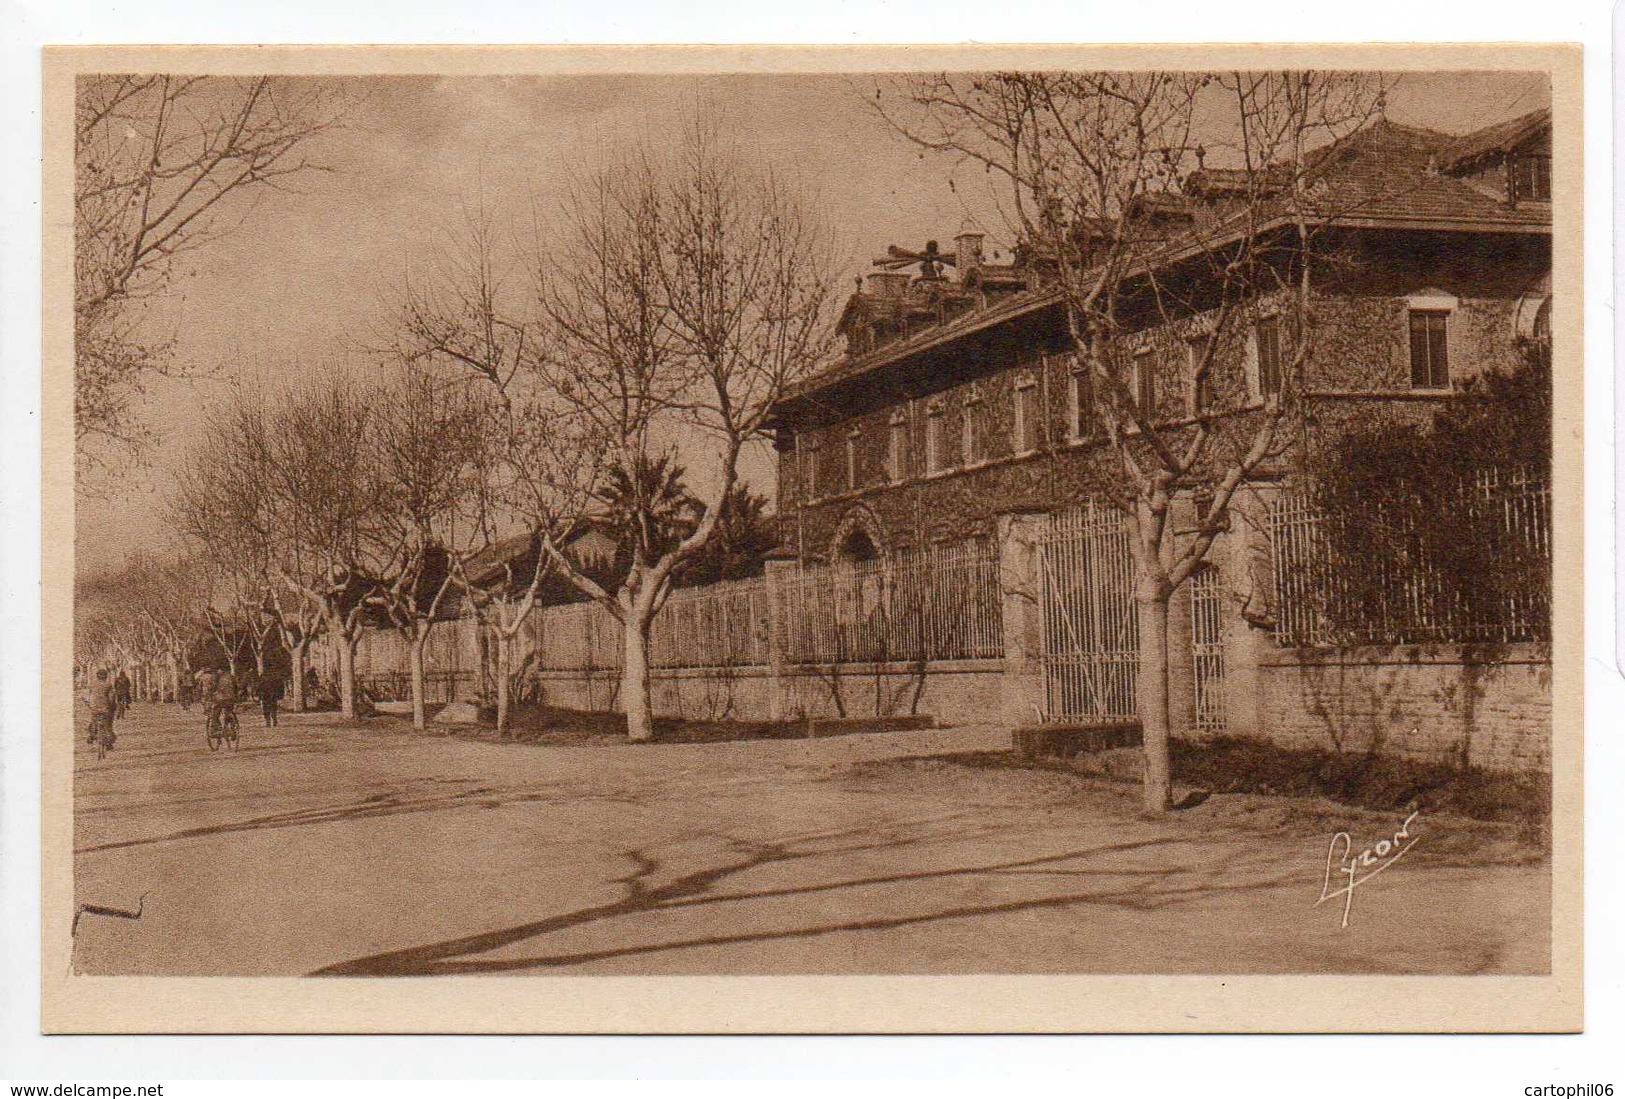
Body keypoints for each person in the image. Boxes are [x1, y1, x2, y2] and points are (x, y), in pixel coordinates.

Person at [83, 668, 116, 749]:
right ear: (106, 676)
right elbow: (112, 697)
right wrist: (112, 706)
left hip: (94, 708)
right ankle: (109, 743)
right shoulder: (108, 685)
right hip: (106, 708)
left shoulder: (91, 684)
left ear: (97, 676)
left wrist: (88, 704)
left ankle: (91, 736)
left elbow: (86, 696)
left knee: (93, 721)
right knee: (108, 724)